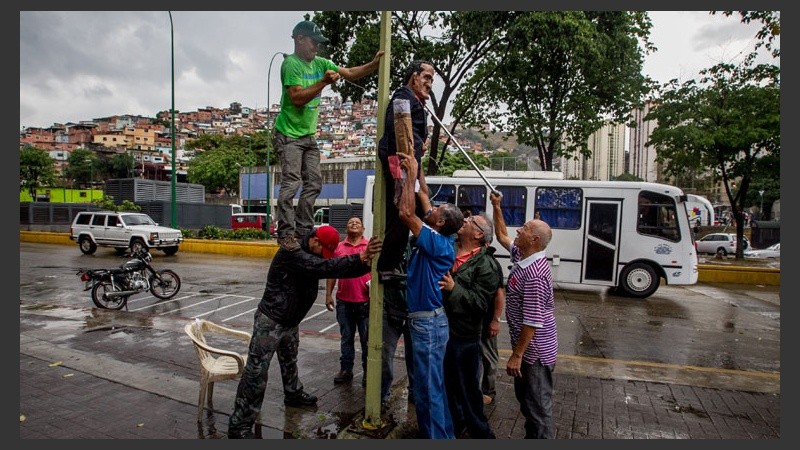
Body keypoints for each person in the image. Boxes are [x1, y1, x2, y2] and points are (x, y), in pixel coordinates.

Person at [228, 225, 383, 439]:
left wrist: (363, 262)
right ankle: (239, 426)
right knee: (256, 373)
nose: (324, 255)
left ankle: (293, 394)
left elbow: (332, 267)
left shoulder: (309, 250)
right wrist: (360, 257)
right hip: (271, 320)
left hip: (290, 321)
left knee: (290, 361)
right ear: (315, 241)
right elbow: (323, 267)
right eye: (323, 250)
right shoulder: (294, 252)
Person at [274, 20, 385, 252]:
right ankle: (285, 232)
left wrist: (374, 65)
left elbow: (350, 73)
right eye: (314, 42)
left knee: (314, 183)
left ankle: (303, 229)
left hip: (307, 136)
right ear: (299, 39)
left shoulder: (321, 62)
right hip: (288, 134)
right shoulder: (291, 64)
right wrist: (323, 82)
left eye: (318, 43)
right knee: (292, 182)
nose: (317, 47)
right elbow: (297, 98)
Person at [397, 151, 464, 439]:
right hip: (428, 323)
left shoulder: (437, 243)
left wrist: (409, 175)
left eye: (440, 209)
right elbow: (424, 194)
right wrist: (417, 164)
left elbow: (405, 214)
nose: (434, 207)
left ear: (439, 223)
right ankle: (442, 433)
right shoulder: (442, 235)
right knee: (430, 386)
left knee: (427, 388)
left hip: (427, 325)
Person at [489, 191, 557, 439]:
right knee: (528, 406)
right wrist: (497, 206)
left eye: (525, 229)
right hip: (528, 352)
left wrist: (517, 355)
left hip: (535, 354)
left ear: (535, 239)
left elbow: (533, 321)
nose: (519, 230)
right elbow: (502, 235)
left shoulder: (536, 274)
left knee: (539, 410)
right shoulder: (523, 256)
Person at [439, 213, 500, 439]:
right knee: (449, 386)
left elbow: (481, 304)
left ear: (478, 234)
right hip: (444, 332)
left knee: (468, 390)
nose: (464, 220)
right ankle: (457, 426)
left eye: (470, 220)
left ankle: (482, 433)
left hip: (464, 337)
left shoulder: (486, 264)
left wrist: (455, 288)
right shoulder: (449, 247)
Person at [376, 60, 435, 279]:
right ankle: (386, 266)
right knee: (403, 213)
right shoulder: (403, 97)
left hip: (411, 163)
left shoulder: (416, 101)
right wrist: (410, 164)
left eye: (431, 79)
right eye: (426, 77)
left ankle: (404, 261)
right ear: (414, 77)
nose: (429, 84)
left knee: (419, 212)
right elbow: (401, 131)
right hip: (402, 162)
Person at [325, 217, 370, 386]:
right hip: (344, 301)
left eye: (358, 222)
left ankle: (368, 372)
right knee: (346, 337)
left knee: (367, 340)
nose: (354, 224)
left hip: (366, 301)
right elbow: (332, 272)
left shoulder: (369, 247)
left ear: (363, 228)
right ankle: (346, 370)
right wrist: (328, 294)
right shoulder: (338, 248)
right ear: (346, 227)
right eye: (351, 222)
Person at [380, 242, 414, 407]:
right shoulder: (393, 245)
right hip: (392, 309)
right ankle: (382, 395)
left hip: (415, 312)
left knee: (415, 357)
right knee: (385, 357)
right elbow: (383, 274)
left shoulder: (424, 244)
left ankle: (415, 392)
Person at [481, 250, 506, 406]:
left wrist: (496, 320)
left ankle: (488, 391)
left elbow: (499, 294)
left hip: (487, 320)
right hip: (470, 322)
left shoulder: (491, 263)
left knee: (488, 356)